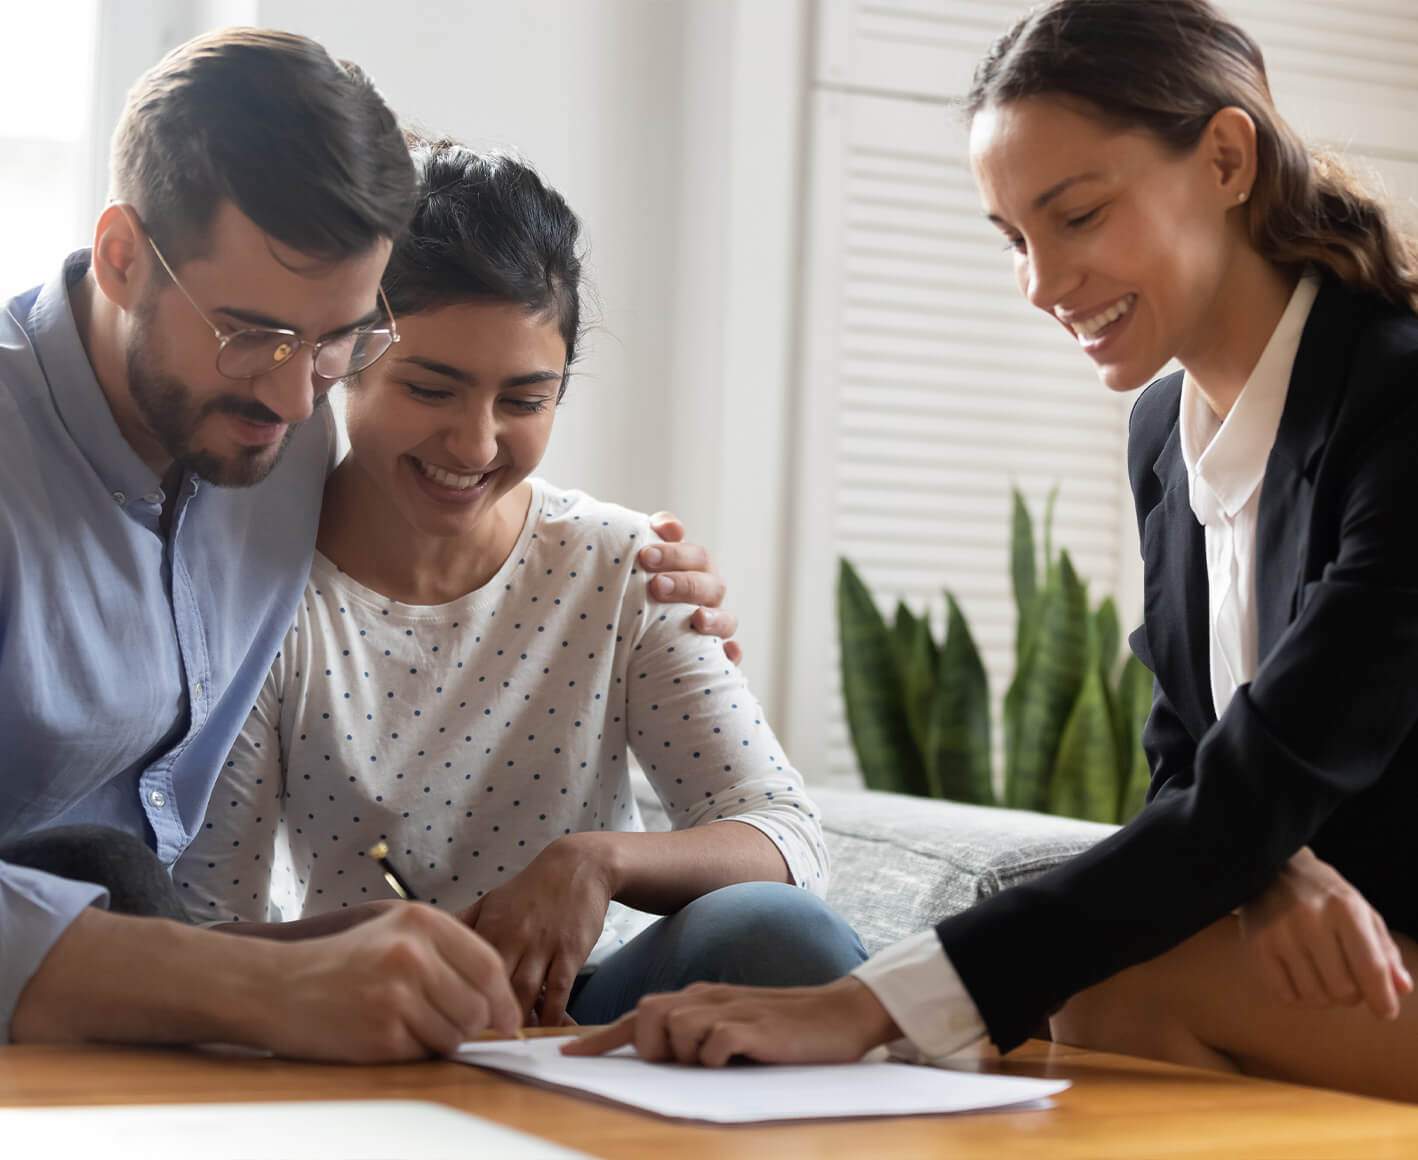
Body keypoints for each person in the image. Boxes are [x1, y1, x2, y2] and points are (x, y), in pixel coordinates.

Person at [569, 0, 1418, 1102]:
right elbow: (1191, 772)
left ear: (1223, 157)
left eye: (1075, 216)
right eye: (1015, 237)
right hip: (1350, 951)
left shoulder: (1396, 402)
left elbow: (1270, 768)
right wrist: (1263, 872)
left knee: (1102, 992)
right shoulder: (1165, 436)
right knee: (1085, 987)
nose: (1039, 280)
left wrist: (859, 1003)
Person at [1, 29, 735, 1061]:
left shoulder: (281, 430)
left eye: (341, 338)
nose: (296, 391)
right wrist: (242, 979)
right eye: (252, 330)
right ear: (123, 255)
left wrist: (648, 573)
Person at [173, 137, 865, 1029]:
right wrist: (384, 945)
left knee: (777, 932)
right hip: (356, 1013)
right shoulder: (261, 595)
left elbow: (784, 834)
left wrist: (595, 861)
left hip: (583, 1022)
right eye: (431, 388)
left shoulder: (622, 566)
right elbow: (204, 927)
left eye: (524, 401)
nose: (474, 444)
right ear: (344, 358)